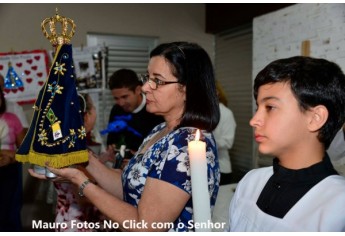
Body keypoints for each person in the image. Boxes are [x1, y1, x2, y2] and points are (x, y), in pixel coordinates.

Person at [29, 42, 220, 232]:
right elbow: (127, 189)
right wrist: (81, 156)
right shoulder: (160, 130)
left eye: (158, 80)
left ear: (187, 89)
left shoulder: (187, 144)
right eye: (147, 78)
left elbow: (146, 227)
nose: (145, 87)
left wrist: (81, 180)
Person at [227, 56, 345, 231]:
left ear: (315, 118)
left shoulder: (338, 205)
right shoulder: (250, 181)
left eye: (270, 107)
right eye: (257, 107)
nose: (254, 121)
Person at [53, 93, 112, 232]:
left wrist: (102, 159)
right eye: (94, 109)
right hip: (81, 224)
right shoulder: (77, 152)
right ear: (86, 116)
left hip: (67, 219)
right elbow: (83, 196)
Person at [106, 68, 164, 154]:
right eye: (116, 98)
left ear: (138, 90)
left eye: (124, 97)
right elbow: (111, 141)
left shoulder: (155, 111)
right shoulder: (116, 110)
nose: (121, 103)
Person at [0, 81, 26, 231]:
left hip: (8, 171)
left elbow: (24, 151)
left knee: (8, 214)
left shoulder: (12, 117)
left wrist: (10, 157)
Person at [211, 81, 236, 231]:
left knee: (219, 212)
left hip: (222, 169)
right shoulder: (202, 112)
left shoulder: (226, 113)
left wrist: (207, 140)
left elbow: (228, 142)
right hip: (205, 167)